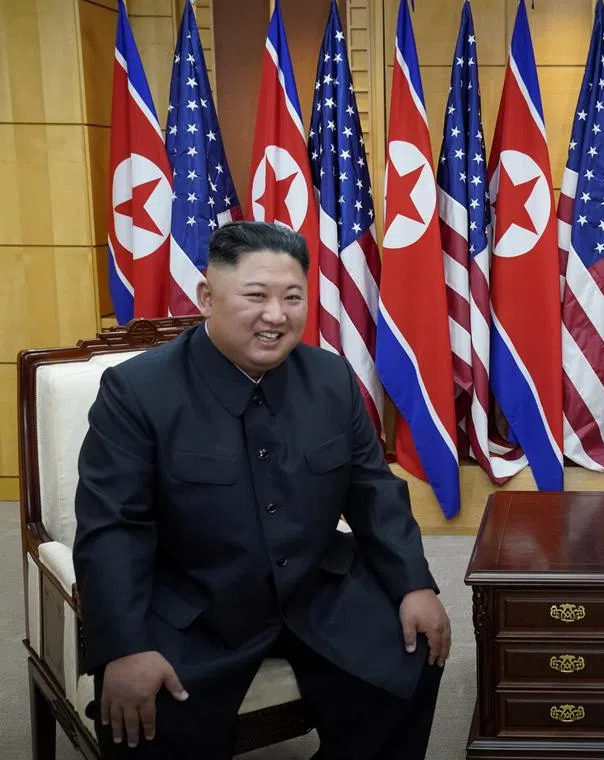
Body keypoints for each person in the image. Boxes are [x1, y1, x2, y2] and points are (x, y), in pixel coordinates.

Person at [73, 221, 451, 759]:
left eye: (293, 297)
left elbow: (372, 489)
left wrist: (415, 583)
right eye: (256, 296)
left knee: (414, 657)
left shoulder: (331, 379)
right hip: (194, 604)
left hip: (316, 589)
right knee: (145, 716)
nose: (276, 315)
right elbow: (113, 526)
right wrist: (125, 645)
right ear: (207, 296)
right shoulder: (136, 392)